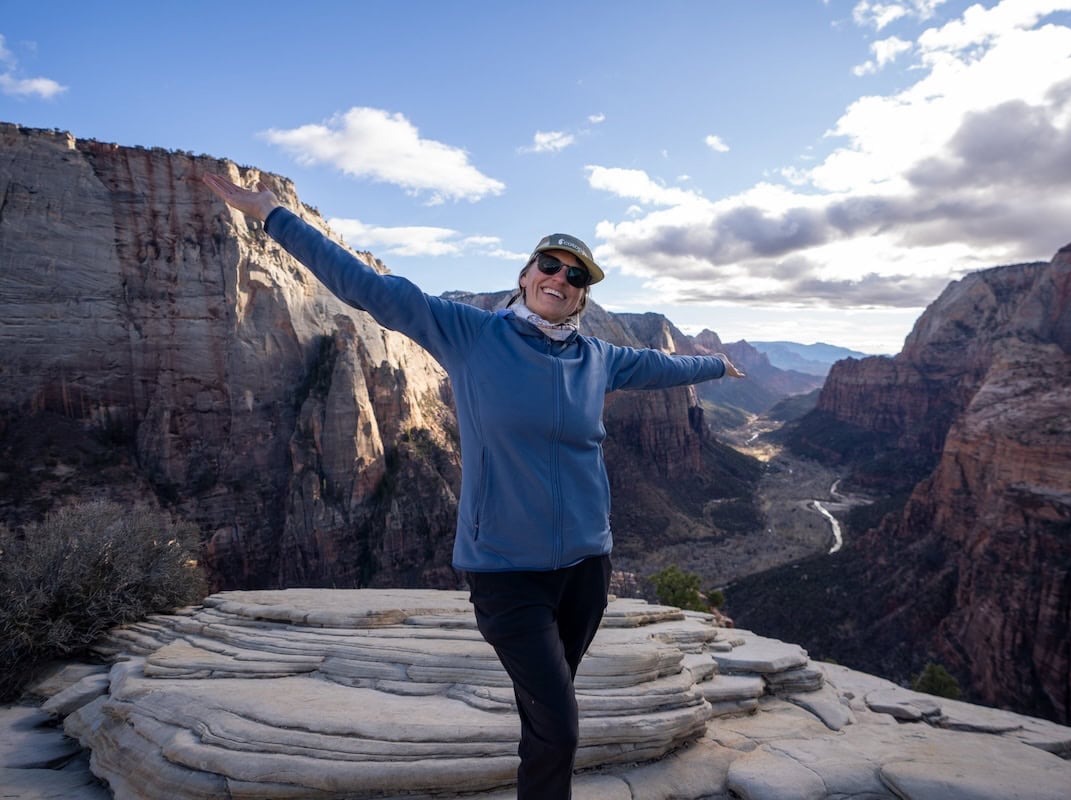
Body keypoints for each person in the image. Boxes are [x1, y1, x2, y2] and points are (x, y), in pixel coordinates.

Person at [201, 173, 745, 799]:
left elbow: (663, 368)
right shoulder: (469, 334)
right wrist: (274, 215)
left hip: (587, 568)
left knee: (546, 712)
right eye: (550, 264)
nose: (560, 279)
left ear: (581, 299)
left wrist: (717, 366)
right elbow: (373, 290)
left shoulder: (598, 357)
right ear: (525, 273)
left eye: (575, 277)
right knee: (561, 728)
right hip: (507, 572)